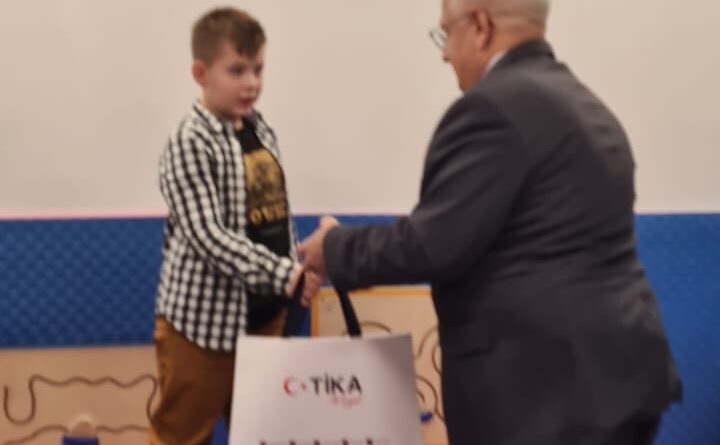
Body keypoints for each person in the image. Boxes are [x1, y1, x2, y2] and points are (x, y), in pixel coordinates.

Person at [299, 0, 681, 444]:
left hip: (544, 399)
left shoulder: (492, 109)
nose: (445, 54)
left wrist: (333, 247)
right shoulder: (586, 105)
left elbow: (430, 246)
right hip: (618, 380)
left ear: (480, 26)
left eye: (446, 34)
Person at [150, 8, 320, 444]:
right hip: (202, 331)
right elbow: (208, 237)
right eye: (237, 70)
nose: (251, 83)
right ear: (200, 73)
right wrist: (286, 275)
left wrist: (298, 270)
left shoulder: (261, 130)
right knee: (182, 435)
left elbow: (274, 214)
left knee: (261, 433)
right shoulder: (190, 140)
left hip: (265, 321)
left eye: (258, 70)